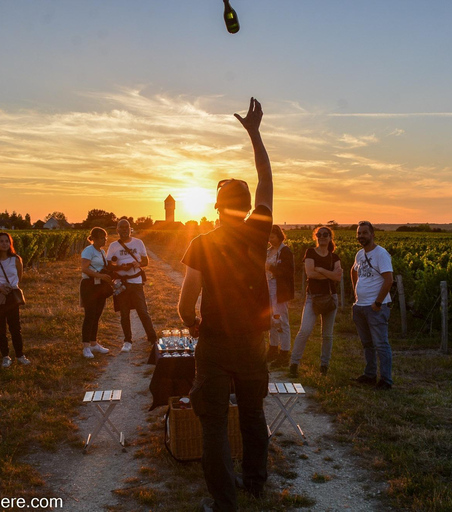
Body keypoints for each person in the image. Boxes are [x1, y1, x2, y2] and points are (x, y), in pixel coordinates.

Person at [178, 97, 273, 512]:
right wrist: (255, 134)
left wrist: (193, 326)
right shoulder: (259, 232)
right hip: (254, 343)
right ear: (249, 206)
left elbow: (186, 301)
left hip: (214, 345)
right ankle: (255, 482)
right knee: (253, 415)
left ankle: (224, 503)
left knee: (214, 426)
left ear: (216, 207)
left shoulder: (202, 243)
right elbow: (267, 179)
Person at [288, 226, 343, 378]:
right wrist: (330, 274)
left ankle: (324, 366)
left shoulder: (335, 257)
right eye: (319, 234)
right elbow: (310, 274)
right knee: (304, 330)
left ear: (330, 237)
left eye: (326, 234)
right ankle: (294, 364)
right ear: (316, 236)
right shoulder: (310, 252)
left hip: (331, 297)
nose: (322, 237)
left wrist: (322, 270)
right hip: (313, 297)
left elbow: (338, 277)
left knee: (327, 335)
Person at [350, 221, 394, 390]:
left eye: (364, 233)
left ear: (372, 234)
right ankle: (369, 375)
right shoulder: (360, 255)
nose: (361, 236)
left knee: (381, 344)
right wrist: (356, 292)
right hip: (360, 306)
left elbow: (388, 279)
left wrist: (377, 303)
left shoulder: (381, 254)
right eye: (359, 233)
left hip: (375, 307)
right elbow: (353, 271)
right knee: (367, 343)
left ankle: (386, 380)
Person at [106, 218, 157, 353]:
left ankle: (152, 338)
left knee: (143, 311)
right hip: (121, 283)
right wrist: (121, 266)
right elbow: (109, 265)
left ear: (130, 229)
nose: (124, 230)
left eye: (126, 227)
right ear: (117, 230)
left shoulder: (138, 243)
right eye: (121, 227)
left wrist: (137, 264)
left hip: (136, 282)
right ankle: (127, 341)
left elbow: (146, 261)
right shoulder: (113, 246)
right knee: (124, 313)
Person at [0, 232, 30, 368]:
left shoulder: (16, 259)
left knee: (15, 327)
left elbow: (19, 278)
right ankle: (5, 356)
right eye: (1, 241)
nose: (4, 244)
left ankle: (20, 355)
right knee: (0, 328)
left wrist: (8, 287)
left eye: (7, 241)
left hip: (11, 295)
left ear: (10, 244)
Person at [80, 227, 113, 359]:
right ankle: (86, 346)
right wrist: (100, 276)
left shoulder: (102, 252)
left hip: (99, 286)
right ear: (93, 238)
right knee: (90, 315)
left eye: (105, 237)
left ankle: (94, 343)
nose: (104, 239)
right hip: (89, 285)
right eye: (101, 237)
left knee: (97, 314)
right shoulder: (88, 250)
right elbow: (84, 268)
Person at [266, 225, 294, 368]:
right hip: (269, 289)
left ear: (279, 236)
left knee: (282, 320)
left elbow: (286, 272)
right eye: (268, 237)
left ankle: (284, 353)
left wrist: (270, 268)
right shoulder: (269, 251)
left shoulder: (285, 251)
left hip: (279, 290)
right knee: (271, 320)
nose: (270, 240)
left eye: (272, 237)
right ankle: (272, 349)